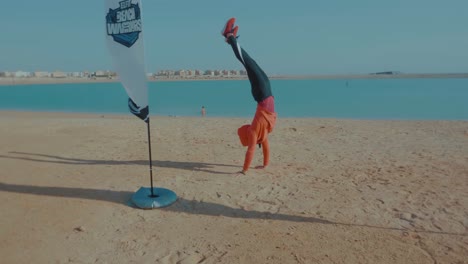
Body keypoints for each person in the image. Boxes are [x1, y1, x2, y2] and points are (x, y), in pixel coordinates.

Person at [221, 18, 277, 175]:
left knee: (249, 62)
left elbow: (264, 148)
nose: (243, 127)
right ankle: (229, 36)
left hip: (264, 96)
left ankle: (230, 38)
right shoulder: (255, 134)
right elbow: (253, 150)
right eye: (242, 130)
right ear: (246, 133)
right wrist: (245, 170)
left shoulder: (258, 133)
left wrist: (266, 164)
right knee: (249, 62)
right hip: (264, 94)